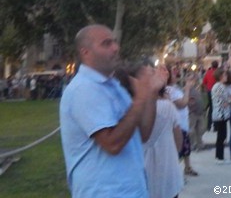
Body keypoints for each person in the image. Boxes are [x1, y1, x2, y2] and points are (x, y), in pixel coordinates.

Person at [60, 24, 166, 198]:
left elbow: (142, 134)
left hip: (133, 190)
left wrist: (151, 93)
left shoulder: (114, 86)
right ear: (85, 52)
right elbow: (112, 144)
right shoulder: (83, 89)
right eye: (106, 43)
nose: (116, 48)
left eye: (115, 42)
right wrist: (139, 99)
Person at [116, 66, 184, 198]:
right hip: (165, 168)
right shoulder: (165, 106)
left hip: (140, 173)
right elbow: (178, 138)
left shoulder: (127, 109)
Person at [166, 69, 199, 177]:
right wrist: (187, 89)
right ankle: (175, 173)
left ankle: (187, 167)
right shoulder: (169, 90)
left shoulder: (175, 88)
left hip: (183, 123)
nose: (176, 75)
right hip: (178, 124)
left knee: (186, 148)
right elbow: (182, 104)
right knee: (178, 150)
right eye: (173, 74)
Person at [212, 68, 231, 164]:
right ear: (220, 76)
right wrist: (230, 100)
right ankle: (219, 157)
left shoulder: (219, 86)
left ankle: (220, 156)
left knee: (222, 136)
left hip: (221, 113)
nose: (226, 77)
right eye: (224, 75)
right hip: (220, 114)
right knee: (221, 136)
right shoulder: (219, 86)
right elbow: (224, 101)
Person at [202, 60, 218, 132]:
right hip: (217, 91)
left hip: (209, 91)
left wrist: (206, 89)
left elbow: (204, 82)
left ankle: (208, 126)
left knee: (211, 108)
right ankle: (215, 126)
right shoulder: (218, 72)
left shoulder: (208, 72)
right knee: (216, 108)